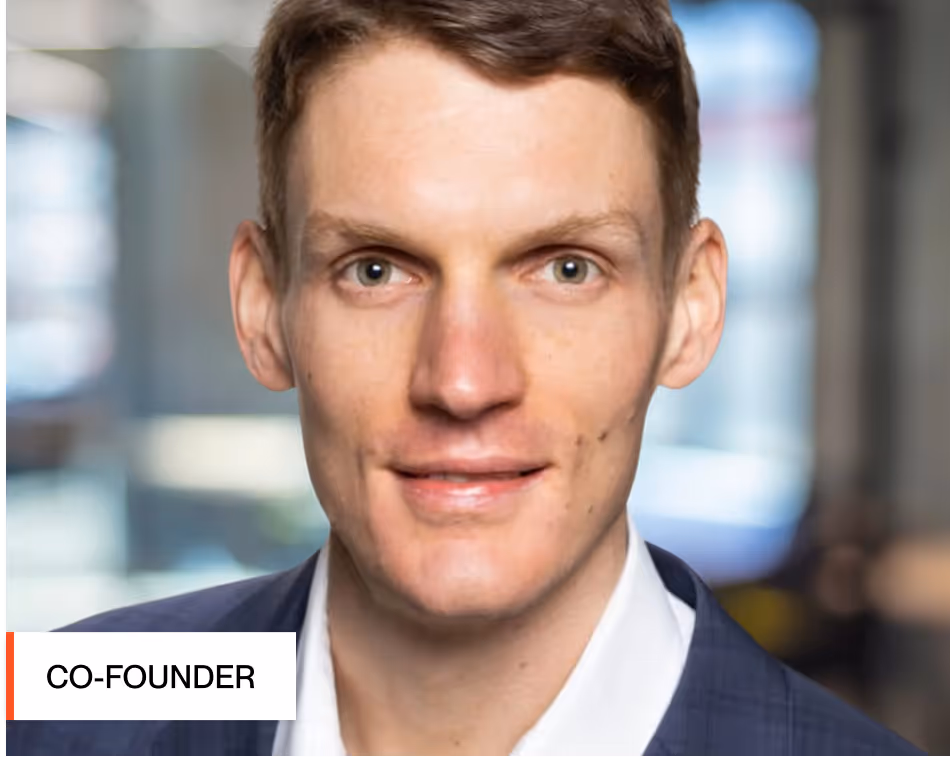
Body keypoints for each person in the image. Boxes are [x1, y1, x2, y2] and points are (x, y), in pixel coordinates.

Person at [8, 1, 926, 755]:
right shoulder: (54, 701)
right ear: (260, 308)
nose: (462, 379)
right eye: (376, 269)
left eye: (566, 268)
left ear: (689, 308)